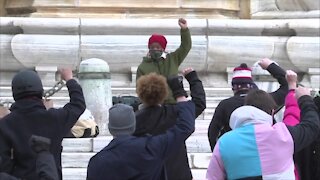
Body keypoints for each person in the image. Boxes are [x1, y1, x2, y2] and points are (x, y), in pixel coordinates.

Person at [86, 77, 196, 180]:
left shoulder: (96, 162)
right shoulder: (152, 147)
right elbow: (185, 127)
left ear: (110, 128)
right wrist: (180, 95)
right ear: (133, 124)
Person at [206, 87, 320, 179]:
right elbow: (312, 125)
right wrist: (305, 99)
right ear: (272, 112)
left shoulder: (224, 143)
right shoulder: (283, 135)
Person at [0, 68, 86, 180]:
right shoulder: (55, 118)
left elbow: (5, 164)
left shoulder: (5, 124)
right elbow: (78, 104)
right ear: (40, 91)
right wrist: (69, 79)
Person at [134, 68, 206, 180]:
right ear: (164, 93)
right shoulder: (174, 113)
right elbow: (199, 103)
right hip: (178, 173)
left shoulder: (134, 120)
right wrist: (192, 80)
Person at [207, 58, 288, 151]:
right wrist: (270, 66)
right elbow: (288, 85)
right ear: (252, 85)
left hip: (236, 153)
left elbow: (213, 133)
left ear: (234, 87)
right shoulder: (267, 100)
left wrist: (218, 155)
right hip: (265, 151)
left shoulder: (225, 105)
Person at [136, 18, 192, 104]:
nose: (155, 49)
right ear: (149, 48)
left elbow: (185, 46)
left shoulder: (173, 59)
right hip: (153, 106)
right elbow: (139, 89)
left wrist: (184, 30)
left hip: (173, 104)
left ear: (163, 48)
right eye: (152, 47)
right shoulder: (142, 67)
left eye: (158, 47)